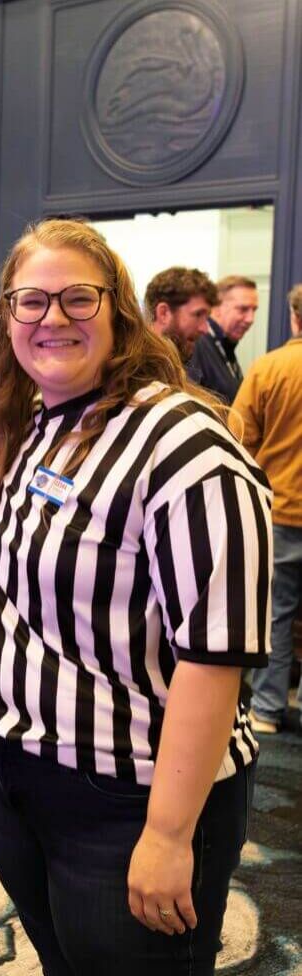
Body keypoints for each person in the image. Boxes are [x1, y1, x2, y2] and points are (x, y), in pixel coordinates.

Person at [0, 219, 272, 976]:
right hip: (13, 774)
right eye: (30, 301)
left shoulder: (183, 442)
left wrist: (166, 835)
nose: (52, 318)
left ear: (120, 310)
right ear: (6, 317)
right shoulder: (27, 422)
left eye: (77, 299)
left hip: (127, 799)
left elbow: (213, 654)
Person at [230, 283, 302, 734]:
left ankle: (268, 710)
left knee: (274, 615)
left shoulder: (268, 369)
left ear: (295, 318)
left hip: (279, 512)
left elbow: (238, 438)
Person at [188, 275, 259, 403]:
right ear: (216, 308)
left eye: (254, 310)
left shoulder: (226, 345)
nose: (250, 319)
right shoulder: (197, 345)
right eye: (243, 309)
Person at [144, 266, 216, 361]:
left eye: (206, 317)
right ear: (163, 313)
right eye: (198, 314)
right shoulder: (134, 372)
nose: (205, 329)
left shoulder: (172, 368)